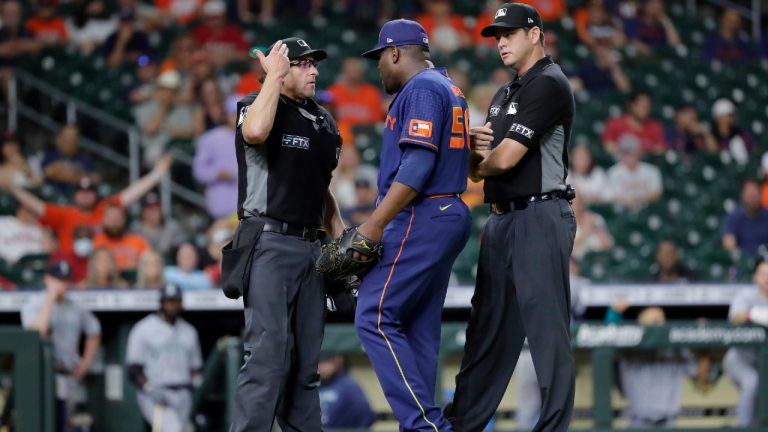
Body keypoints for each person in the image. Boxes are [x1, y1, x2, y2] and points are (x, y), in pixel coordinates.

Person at [445, 4, 576, 431]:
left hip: (540, 215)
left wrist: (476, 155)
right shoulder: (504, 95)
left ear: (535, 34)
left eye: (511, 33)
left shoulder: (549, 84)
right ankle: (462, 424)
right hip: (501, 221)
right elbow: (476, 168)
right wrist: (473, 154)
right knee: (485, 333)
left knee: (546, 336)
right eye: (497, 35)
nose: (501, 41)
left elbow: (500, 160)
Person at [357, 19, 471, 430]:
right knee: (417, 326)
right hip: (446, 213)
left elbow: (419, 163)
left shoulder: (421, 87)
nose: (379, 69)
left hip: (423, 213)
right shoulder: (449, 87)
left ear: (395, 53)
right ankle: (424, 424)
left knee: (373, 315)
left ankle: (425, 426)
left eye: (379, 60)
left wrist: (374, 224)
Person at [229, 37, 345, 430]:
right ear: (280, 68)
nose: (313, 70)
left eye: (314, 63)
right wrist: (272, 79)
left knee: (305, 364)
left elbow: (321, 182)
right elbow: (256, 132)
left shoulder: (323, 119)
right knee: (267, 356)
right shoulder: (256, 104)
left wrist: (338, 228)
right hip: (269, 241)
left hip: (311, 248)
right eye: (302, 64)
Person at [0, 153, 173, 254]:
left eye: (89, 192)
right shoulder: (64, 214)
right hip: (73, 266)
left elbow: (131, 194)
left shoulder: (104, 208)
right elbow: (36, 205)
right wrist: (13, 189)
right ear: (74, 195)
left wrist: (157, 174)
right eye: (81, 192)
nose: (85, 196)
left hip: (101, 264)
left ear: (95, 194)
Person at [21, 260, 101, 432]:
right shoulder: (34, 303)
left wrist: (86, 362)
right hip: (43, 377)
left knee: (73, 426)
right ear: (47, 279)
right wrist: (49, 299)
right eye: (58, 280)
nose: (63, 285)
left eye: (66, 280)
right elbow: (36, 333)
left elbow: (94, 331)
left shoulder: (76, 306)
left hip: (71, 376)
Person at [126, 283, 202, 431]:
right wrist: (149, 388)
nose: (172, 305)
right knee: (172, 429)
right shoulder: (144, 328)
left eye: (175, 301)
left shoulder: (189, 331)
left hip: (183, 393)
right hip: (156, 393)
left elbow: (196, 367)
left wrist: (196, 382)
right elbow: (133, 369)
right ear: (161, 303)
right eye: (168, 301)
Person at [724, 256, 768, 427]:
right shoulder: (746, 295)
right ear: (755, 277)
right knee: (752, 383)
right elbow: (736, 317)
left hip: (764, 362)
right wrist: (754, 314)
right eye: (763, 273)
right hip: (740, 359)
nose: (767, 278)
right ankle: (743, 428)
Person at [318, 352, 377, 428]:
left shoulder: (349, 387)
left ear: (340, 359)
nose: (323, 366)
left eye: (327, 361)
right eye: (320, 361)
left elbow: (365, 417)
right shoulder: (308, 386)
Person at [606, 135, 662, 211]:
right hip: (623, 209)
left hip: (648, 208)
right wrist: (630, 200)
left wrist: (637, 199)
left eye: (632, 152)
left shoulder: (651, 170)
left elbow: (656, 194)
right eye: (626, 153)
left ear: (638, 152)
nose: (630, 156)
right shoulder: (613, 172)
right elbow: (614, 196)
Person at [601, 91, 665, 156]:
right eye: (641, 106)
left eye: (647, 106)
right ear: (632, 105)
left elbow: (660, 149)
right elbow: (608, 147)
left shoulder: (654, 126)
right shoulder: (615, 124)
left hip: (645, 164)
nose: (644, 110)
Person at [92, 204, 151, 272]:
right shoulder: (95, 242)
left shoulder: (138, 241)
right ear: (103, 219)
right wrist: (123, 267)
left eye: (117, 218)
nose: (114, 222)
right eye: (110, 218)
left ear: (124, 219)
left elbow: (151, 263)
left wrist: (137, 265)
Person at [41, 125, 97, 193]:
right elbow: (46, 173)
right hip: (52, 197)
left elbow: (95, 178)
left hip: (76, 199)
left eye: (73, 139)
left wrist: (67, 173)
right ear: (58, 139)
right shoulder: (49, 156)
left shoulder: (84, 160)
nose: (70, 142)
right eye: (67, 139)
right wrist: (79, 176)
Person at [722, 178, 768, 257]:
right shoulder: (734, 216)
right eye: (750, 195)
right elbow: (728, 243)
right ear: (742, 195)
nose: (753, 199)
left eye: (755, 195)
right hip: (743, 261)